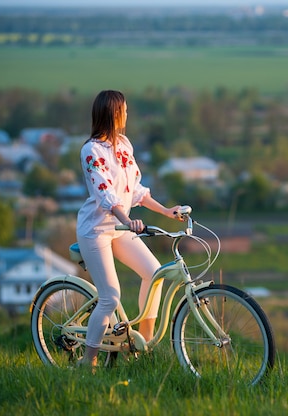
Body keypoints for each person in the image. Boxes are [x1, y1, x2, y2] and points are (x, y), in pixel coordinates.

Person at [76, 90, 182, 368]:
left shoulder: (124, 145)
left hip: (120, 227)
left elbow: (137, 191)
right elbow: (106, 195)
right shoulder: (91, 151)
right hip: (96, 230)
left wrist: (167, 211)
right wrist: (128, 219)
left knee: (154, 273)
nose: (127, 114)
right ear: (113, 113)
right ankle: (89, 362)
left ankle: (143, 346)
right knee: (110, 297)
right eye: (124, 109)